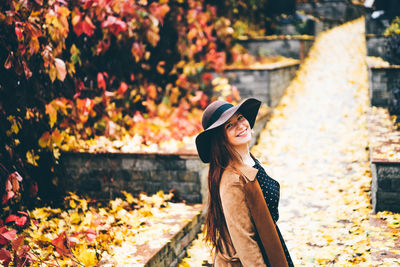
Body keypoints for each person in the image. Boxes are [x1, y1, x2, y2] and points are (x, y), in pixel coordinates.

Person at [195, 98, 294, 267]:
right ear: (221, 138)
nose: (240, 126)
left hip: (270, 247)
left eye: (240, 118)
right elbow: (245, 241)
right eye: (229, 125)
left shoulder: (247, 161)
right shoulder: (232, 180)